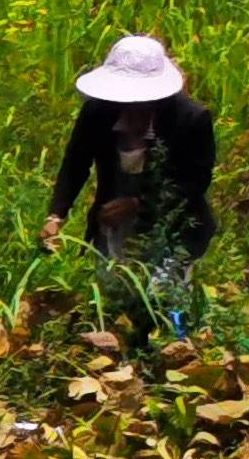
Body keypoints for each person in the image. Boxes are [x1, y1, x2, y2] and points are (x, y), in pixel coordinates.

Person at [45, 32, 214, 339]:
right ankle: (121, 357)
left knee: (163, 298)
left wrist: (138, 204)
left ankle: (177, 351)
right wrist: (56, 214)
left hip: (172, 226)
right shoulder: (97, 113)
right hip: (114, 226)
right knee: (114, 299)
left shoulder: (191, 119)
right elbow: (75, 162)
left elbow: (195, 180)